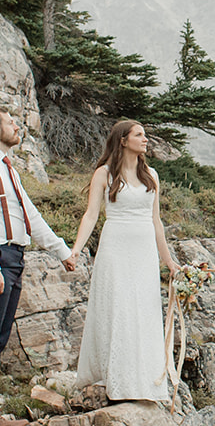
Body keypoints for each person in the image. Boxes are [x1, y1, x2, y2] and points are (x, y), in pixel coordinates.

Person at [0, 107, 74, 426]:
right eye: (10, 122)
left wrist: (62, 251)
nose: (16, 126)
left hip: (13, 256)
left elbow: (30, 216)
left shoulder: (8, 169)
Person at [67, 120, 177, 403]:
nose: (145, 140)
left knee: (143, 308)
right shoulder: (104, 174)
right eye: (139, 135)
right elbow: (91, 215)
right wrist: (76, 249)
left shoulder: (151, 175)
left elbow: (156, 221)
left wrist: (169, 262)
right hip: (115, 245)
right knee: (118, 307)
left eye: (145, 135)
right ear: (123, 140)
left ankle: (144, 377)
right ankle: (117, 376)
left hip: (143, 251)